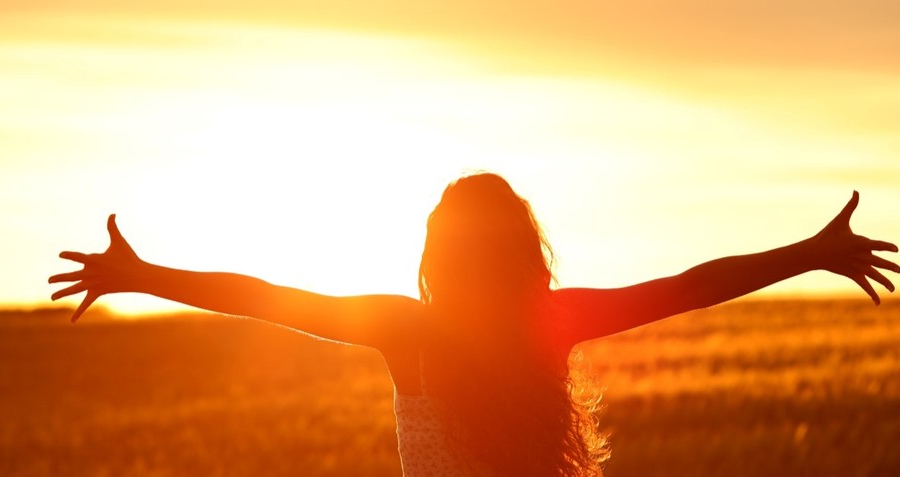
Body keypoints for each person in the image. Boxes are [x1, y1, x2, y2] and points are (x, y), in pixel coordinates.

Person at [49, 172, 898, 477]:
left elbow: (264, 294)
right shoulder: (552, 320)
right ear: (524, 251)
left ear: (436, 256)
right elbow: (689, 285)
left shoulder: (406, 332)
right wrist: (809, 252)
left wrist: (142, 273)